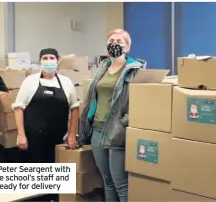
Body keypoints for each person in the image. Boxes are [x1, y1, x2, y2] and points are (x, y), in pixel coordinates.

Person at [77, 29, 146, 202]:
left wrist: (123, 124)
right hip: (97, 131)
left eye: (119, 41)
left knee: (120, 183)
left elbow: (140, 103)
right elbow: (94, 98)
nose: (114, 43)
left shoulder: (135, 71)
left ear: (127, 47)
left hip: (117, 131)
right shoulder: (102, 68)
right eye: (111, 40)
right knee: (106, 181)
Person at [11, 48, 79, 201]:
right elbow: (18, 108)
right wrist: (21, 135)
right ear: (40, 61)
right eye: (45, 58)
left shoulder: (66, 82)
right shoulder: (30, 81)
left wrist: (72, 133)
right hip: (33, 139)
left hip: (57, 139)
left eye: (52, 58)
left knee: (55, 178)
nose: (48, 61)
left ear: (57, 60)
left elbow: (74, 108)